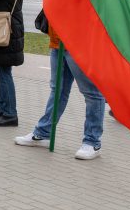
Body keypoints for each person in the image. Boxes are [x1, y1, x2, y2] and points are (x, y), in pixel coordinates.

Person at [15, 14, 106, 160]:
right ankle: (43, 133)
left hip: (80, 44)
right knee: (58, 90)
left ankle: (92, 142)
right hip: (57, 41)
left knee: (91, 93)